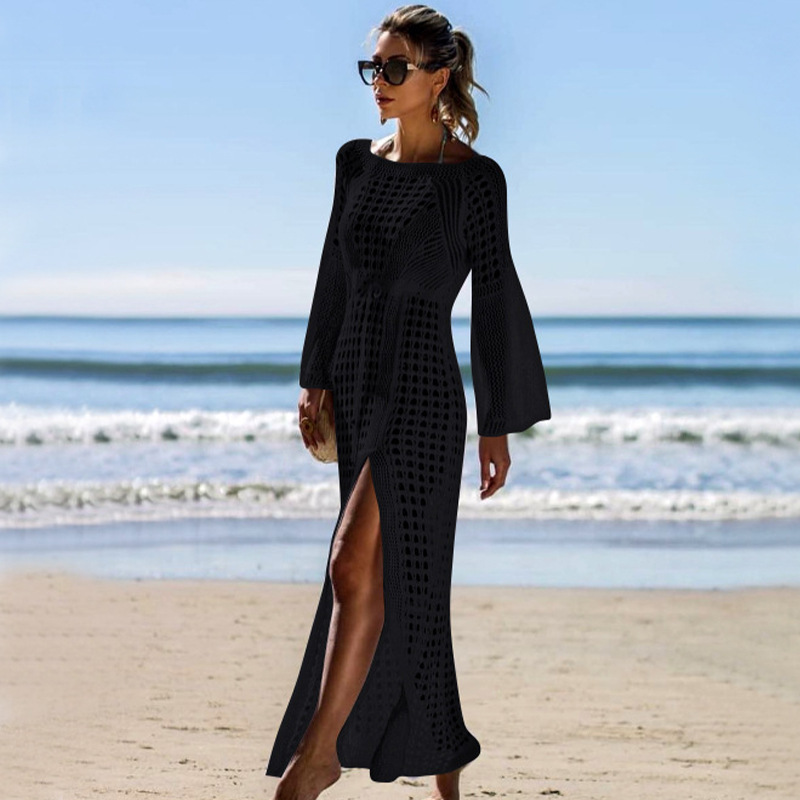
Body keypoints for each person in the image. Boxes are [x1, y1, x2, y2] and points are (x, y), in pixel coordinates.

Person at [266, 6, 551, 800]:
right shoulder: (355, 164)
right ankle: (444, 768)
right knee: (407, 582)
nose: (380, 83)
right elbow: (333, 275)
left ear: (439, 77)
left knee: (351, 564)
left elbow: (494, 299)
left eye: (395, 68)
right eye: (374, 68)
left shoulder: (475, 181)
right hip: (357, 383)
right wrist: (314, 376)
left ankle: (318, 757)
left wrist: (497, 423)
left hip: (424, 392)